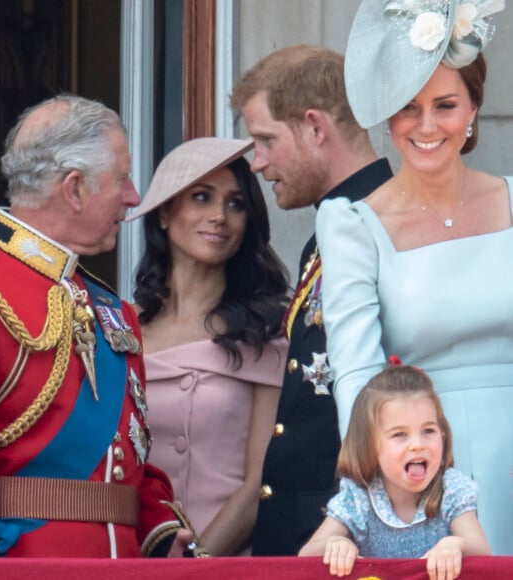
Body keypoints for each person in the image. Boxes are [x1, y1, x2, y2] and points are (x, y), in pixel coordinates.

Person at [0, 94, 205, 558]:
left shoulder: (111, 309)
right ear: (75, 188)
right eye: (121, 179)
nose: (134, 196)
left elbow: (127, 461)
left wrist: (159, 526)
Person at [317, 0, 512, 555]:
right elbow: (356, 375)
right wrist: (383, 499)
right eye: (407, 108)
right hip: (421, 473)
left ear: (474, 107)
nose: (426, 127)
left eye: (445, 105)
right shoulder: (354, 224)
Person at [229, 45, 393, 555]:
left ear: (315, 127)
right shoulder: (329, 228)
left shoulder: (393, 222)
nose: (256, 163)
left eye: (265, 140)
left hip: (347, 537)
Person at [125, 137, 290, 556]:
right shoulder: (123, 331)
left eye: (236, 204)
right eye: (202, 198)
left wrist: (196, 564)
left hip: (228, 563)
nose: (220, 217)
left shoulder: (267, 331)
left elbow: (261, 482)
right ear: (164, 213)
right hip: (132, 559)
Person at [299, 364, 491, 580]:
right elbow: (306, 555)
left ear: (443, 437)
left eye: (428, 431)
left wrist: (457, 545)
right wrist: (336, 545)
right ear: (369, 446)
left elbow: (483, 555)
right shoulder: (359, 496)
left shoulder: (451, 489)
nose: (417, 445)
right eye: (400, 434)